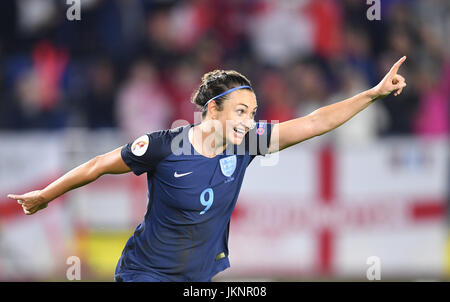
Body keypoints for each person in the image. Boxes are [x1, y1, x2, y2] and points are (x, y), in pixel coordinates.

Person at [7, 57, 407, 282]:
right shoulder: (163, 146)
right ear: (211, 110)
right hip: (144, 274)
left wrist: (372, 94)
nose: (249, 121)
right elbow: (96, 166)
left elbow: (317, 121)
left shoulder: (248, 142)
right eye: (240, 112)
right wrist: (46, 195)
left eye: (252, 113)